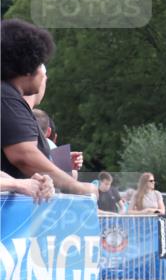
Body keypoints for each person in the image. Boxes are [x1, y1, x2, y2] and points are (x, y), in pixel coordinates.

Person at [1, 19, 95, 197]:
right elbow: (24, 156)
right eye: (40, 64)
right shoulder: (5, 97)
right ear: (28, 67)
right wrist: (78, 188)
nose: (44, 73)